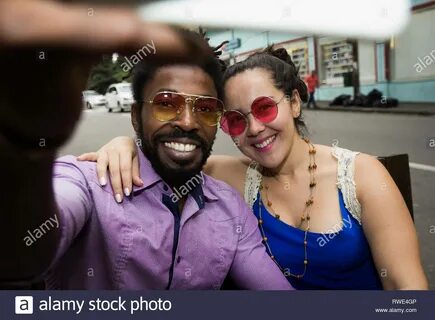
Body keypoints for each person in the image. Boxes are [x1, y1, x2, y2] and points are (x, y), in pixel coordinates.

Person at [0, 1, 292, 290]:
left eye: (205, 108)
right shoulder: (89, 182)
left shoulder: (230, 210)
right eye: (166, 103)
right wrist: (27, 144)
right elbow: (19, 255)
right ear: (136, 117)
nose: (189, 122)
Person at [82, 47, 428, 290]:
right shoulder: (229, 176)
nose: (255, 129)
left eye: (264, 108)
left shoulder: (359, 175)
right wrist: (124, 144)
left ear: (293, 102)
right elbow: (168, 158)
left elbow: (406, 289)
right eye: (235, 120)